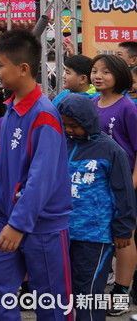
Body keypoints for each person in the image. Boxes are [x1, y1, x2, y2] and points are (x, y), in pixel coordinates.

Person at [0, 29, 72, 321]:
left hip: (42, 223)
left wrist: (18, 224)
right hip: (3, 215)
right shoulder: (11, 108)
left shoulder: (43, 114)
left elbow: (42, 178)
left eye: (1, 64)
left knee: (51, 300)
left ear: (23, 68)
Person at [57, 93, 136, 321]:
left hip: (94, 236)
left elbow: (123, 194)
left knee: (89, 292)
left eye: (74, 125)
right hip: (61, 232)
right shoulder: (60, 144)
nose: (69, 130)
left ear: (88, 121)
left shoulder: (111, 151)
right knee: (62, 291)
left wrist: (122, 229)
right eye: (65, 125)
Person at [91, 53, 137, 312]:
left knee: (124, 238)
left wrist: (131, 183)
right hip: (97, 183)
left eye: (106, 71)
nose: (98, 76)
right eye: (95, 71)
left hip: (124, 183)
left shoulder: (127, 107)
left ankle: (120, 293)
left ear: (119, 75)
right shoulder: (91, 103)